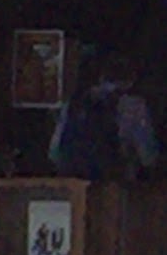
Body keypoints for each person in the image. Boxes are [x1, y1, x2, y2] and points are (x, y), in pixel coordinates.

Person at [49, 53, 159, 181]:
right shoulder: (134, 106)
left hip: (72, 182)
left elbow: (54, 153)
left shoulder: (74, 102)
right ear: (132, 79)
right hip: (111, 183)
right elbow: (147, 156)